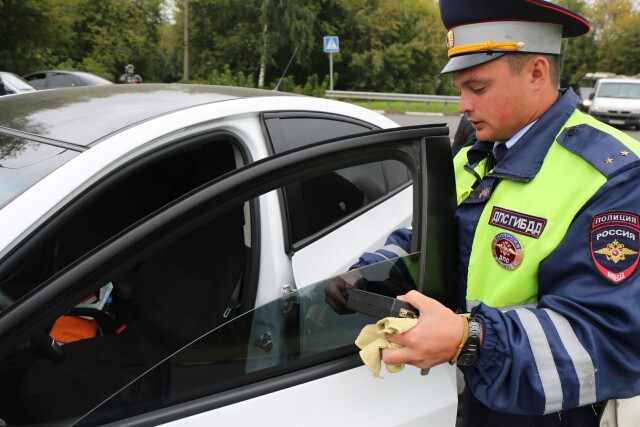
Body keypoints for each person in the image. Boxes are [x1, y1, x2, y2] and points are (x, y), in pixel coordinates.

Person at [365, 1, 640, 426]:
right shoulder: (476, 155)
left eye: (477, 88)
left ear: (536, 73)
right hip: (461, 399)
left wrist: (470, 339)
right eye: (459, 89)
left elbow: (610, 340)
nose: (462, 106)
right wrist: (362, 278)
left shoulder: (612, 175)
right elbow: (431, 241)